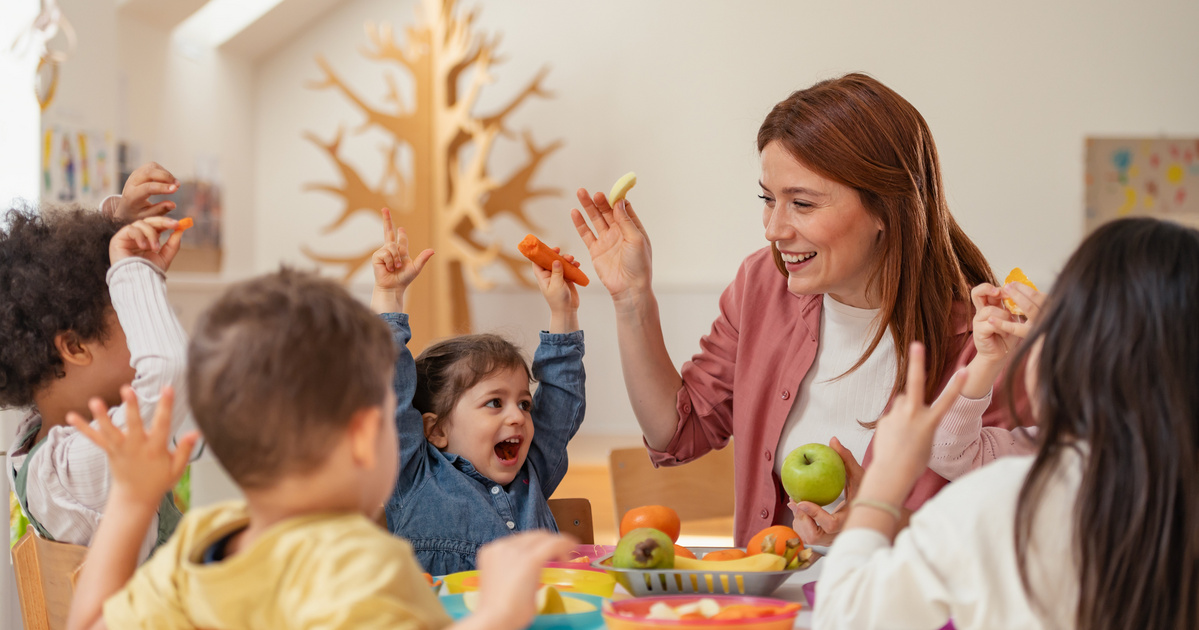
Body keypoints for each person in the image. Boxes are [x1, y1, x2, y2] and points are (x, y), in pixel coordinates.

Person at [570, 72, 1025, 546]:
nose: (773, 229)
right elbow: (678, 431)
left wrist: (883, 527)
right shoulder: (763, 285)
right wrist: (631, 298)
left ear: (886, 210)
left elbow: (1015, 533)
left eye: (802, 203)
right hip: (771, 612)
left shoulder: (990, 340)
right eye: (768, 200)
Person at [66, 262, 577, 630]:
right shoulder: (361, 565)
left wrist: (131, 500)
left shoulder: (200, 545)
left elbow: (89, 623)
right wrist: (498, 615)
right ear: (362, 437)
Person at [813, 217, 1199, 629]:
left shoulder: (1005, 504)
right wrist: (987, 362)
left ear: (1080, 348)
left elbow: (844, 618)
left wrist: (881, 488)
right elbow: (951, 450)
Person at [377, 208, 587, 574]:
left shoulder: (531, 471)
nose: (518, 415)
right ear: (436, 429)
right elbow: (389, 394)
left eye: (524, 403)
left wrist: (563, 312)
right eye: (494, 402)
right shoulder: (414, 475)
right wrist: (388, 298)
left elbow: (561, 400)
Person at [1, 193, 191, 559]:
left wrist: (117, 225)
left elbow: (66, 284)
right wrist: (135, 272)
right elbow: (168, 370)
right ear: (74, 347)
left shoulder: (38, 445)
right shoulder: (72, 468)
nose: (146, 329)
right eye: (132, 315)